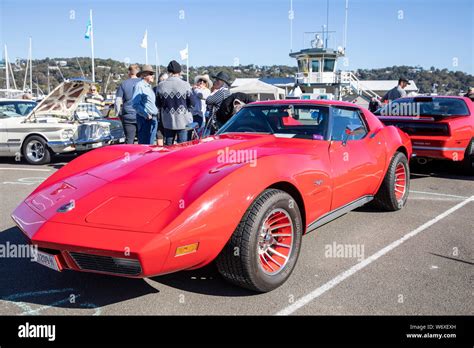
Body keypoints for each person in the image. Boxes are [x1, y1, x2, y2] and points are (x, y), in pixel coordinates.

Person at [156, 60, 194, 145]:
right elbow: (192, 102)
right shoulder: (185, 85)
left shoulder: (161, 85)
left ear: (168, 71)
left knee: (168, 147)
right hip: (183, 121)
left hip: (167, 121)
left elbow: (158, 104)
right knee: (182, 147)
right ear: (179, 72)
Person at [132, 64, 159, 145]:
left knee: (150, 145)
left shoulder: (148, 87)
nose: (152, 76)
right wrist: (145, 114)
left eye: (152, 74)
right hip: (145, 119)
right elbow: (135, 104)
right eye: (150, 74)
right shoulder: (140, 86)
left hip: (152, 118)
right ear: (144, 75)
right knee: (145, 146)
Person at [115, 64, 141, 144]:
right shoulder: (142, 83)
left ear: (129, 72)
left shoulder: (124, 84)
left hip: (128, 116)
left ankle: (129, 155)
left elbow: (117, 101)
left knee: (129, 140)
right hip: (141, 115)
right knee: (142, 140)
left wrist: (118, 114)